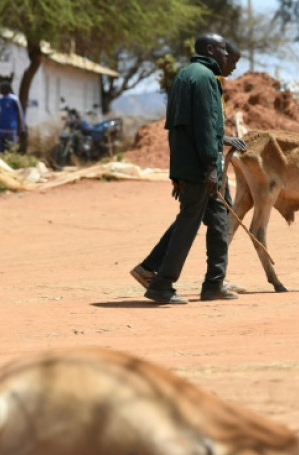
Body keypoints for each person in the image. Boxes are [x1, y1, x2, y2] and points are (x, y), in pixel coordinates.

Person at [131, 38, 246, 294]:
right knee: (188, 222)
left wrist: (178, 172)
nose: (227, 55)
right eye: (224, 51)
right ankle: (161, 284)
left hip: (193, 163)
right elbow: (204, 127)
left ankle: (214, 283)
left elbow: (179, 127)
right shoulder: (204, 78)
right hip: (202, 167)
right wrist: (210, 167)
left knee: (217, 219)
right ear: (209, 50)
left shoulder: (185, 76)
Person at [0, 81, 26, 152]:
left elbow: (20, 114)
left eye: (1, 88)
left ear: (6, 89)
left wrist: (22, 128)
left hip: (11, 129)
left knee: (11, 150)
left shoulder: (14, 99)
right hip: (1, 128)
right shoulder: (0, 100)